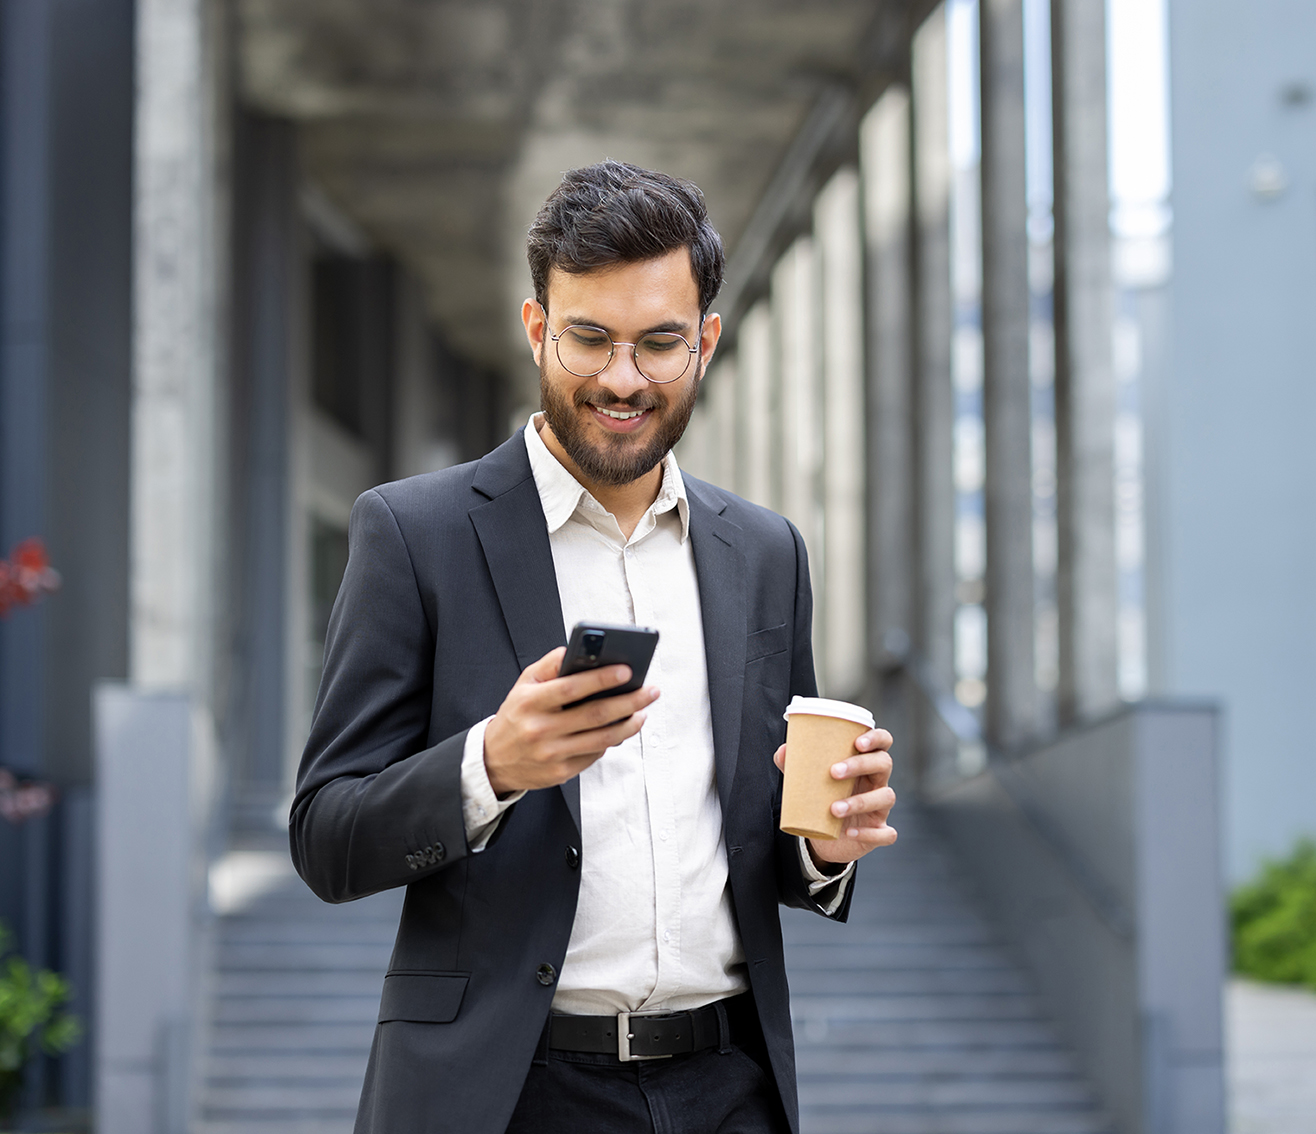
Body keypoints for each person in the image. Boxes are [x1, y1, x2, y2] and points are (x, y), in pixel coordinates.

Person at [291, 159, 898, 1134]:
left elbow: (768, 839)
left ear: (703, 342)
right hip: (512, 1092)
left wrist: (824, 846)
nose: (621, 378)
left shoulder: (766, 552)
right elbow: (326, 838)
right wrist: (490, 766)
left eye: (658, 343)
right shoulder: (415, 534)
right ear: (537, 329)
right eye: (588, 339)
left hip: (729, 1084)